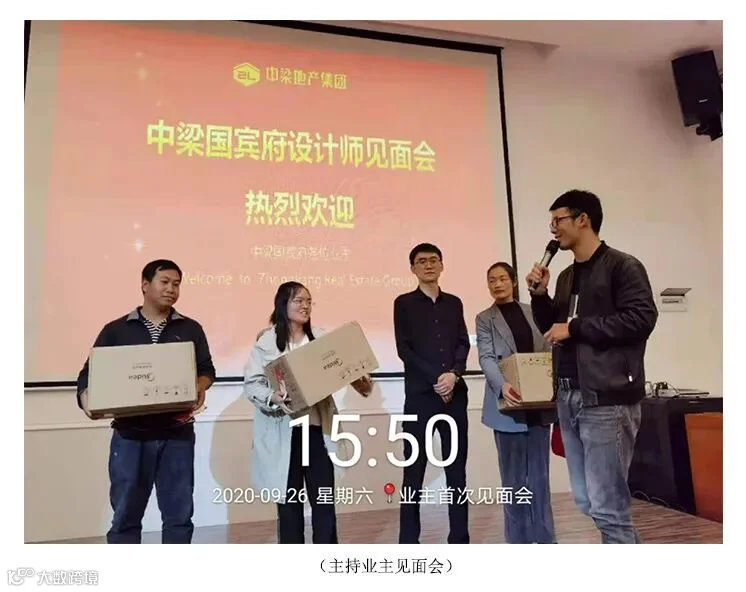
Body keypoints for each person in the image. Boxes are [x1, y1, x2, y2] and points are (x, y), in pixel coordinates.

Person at [526, 190, 657, 544]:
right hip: (570, 395)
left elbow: (641, 319)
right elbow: (552, 328)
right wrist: (539, 295)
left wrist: (576, 327)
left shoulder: (622, 266)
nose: (552, 229)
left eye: (558, 220)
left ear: (582, 219)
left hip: (607, 398)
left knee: (608, 507)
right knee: (588, 501)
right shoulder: (567, 276)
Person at [76, 259, 216, 544]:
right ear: (144, 285)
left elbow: (207, 370)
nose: (171, 289)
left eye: (176, 284)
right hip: (130, 435)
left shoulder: (190, 328)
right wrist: (87, 399)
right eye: (164, 282)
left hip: (177, 434)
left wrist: (199, 386)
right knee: (125, 517)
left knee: (179, 517)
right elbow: (89, 374)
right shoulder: (116, 330)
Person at [243, 281, 372, 544]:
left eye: (308, 301)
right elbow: (252, 384)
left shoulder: (322, 339)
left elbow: (353, 375)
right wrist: (272, 397)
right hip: (284, 432)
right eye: (298, 300)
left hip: (317, 431)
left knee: (324, 502)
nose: (305, 306)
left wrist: (358, 375)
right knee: (289, 505)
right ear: (283, 304)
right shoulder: (266, 342)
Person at [393, 243, 470, 544]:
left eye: (434, 260)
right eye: (421, 261)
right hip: (420, 398)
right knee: (413, 472)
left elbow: (463, 342)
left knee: (457, 473)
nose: (428, 265)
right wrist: (437, 378)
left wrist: (454, 374)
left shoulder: (454, 303)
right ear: (412, 268)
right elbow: (404, 349)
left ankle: (459, 540)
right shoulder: (403, 303)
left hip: (454, 397)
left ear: (442, 265)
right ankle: (408, 542)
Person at [476, 261, 556, 544]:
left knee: (540, 478)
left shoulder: (533, 311)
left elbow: (548, 347)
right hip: (507, 406)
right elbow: (486, 357)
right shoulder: (484, 318)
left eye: (502, 278)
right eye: (491, 280)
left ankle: (545, 540)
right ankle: (518, 542)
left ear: (512, 281)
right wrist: (502, 385)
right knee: (513, 482)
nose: (497, 284)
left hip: (538, 405)